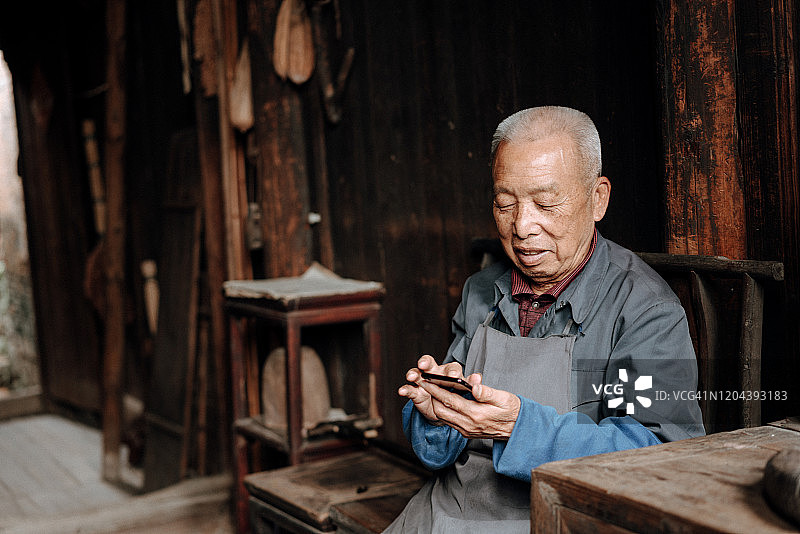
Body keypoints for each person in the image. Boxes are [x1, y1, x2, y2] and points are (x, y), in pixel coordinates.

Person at [385, 106, 705, 533]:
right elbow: (439, 453)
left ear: (597, 198)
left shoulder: (643, 311)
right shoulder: (481, 292)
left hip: (556, 521)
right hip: (445, 511)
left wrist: (518, 428)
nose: (521, 226)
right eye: (504, 204)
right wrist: (438, 415)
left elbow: (659, 455)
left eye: (546, 203)